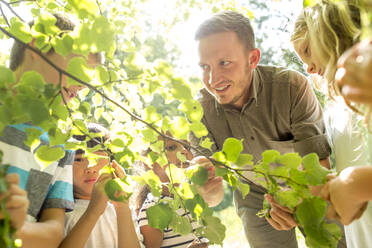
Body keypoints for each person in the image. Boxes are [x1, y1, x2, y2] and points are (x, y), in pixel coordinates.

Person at [190, 10, 333, 248]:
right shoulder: (198, 113)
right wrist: (205, 187)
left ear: (252, 59)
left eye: (224, 63)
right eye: (205, 66)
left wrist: (295, 202)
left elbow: (318, 165)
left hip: (309, 185)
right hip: (255, 196)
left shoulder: (291, 87)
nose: (213, 79)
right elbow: (213, 199)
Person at [0, 14, 100, 248]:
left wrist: (17, 228)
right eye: (79, 67)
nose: (83, 85)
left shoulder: (59, 144)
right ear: (38, 45)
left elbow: (54, 233)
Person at [291, 1, 372, 247]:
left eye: (307, 50)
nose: (307, 67)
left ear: (330, 34)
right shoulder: (337, 110)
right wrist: (326, 189)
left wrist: (355, 184)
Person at [60, 124, 143, 248]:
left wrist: (122, 208)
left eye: (97, 158)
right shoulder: (60, 212)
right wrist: (93, 211)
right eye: (79, 159)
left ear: (111, 162)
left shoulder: (122, 209)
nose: (90, 168)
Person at [137, 137, 222, 248]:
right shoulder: (153, 209)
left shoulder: (193, 197)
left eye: (186, 146)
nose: (184, 151)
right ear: (149, 162)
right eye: (171, 147)